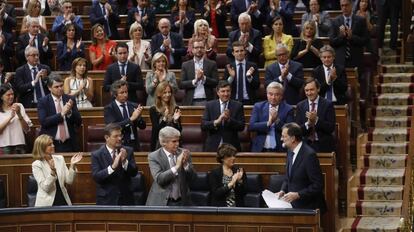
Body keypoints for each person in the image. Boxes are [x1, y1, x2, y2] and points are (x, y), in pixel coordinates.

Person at [274, 122, 327, 213]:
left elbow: (318, 185)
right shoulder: (290, 151)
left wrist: (298, 195)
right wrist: (282, 190)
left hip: (309, 208)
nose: (281, 139)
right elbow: (288, 178)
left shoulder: (309, 155)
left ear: (293, 138)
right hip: (294, 206)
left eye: (284, 136)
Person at [146, 126, 196, 206]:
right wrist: (177, 167)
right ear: (163, 143)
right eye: (174, 141)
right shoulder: (154, 156)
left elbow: (192, 178)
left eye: (178, 141)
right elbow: (160, 179)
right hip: (162, 202)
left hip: (182, 202)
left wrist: (186, 165)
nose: (177, 144)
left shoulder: (185, 153)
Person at [91, 123, 138, 205]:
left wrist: (125, 162)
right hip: (106, 200)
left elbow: (134, 173)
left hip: (126, 199)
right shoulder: (97, 154)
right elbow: (97, 177)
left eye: (120, 135)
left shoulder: (128, 151)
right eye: (116, 136)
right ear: (106, 137)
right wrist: (112, 168)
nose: (119, 138)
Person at [31, 134, 82, 206]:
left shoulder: (60, 159)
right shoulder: (37, 165)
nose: (53, 146)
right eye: (49, 144)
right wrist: (52, 171)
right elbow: (46, 188)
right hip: (47, 203)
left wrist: (72, 165)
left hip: (62, 199)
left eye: (52, 143)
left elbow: (69, 181)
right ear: (42, 147)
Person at [38, 74, 82, 152]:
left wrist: (69, 113)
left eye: (61, 86)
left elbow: (78, 121)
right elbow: (44, 122)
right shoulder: (43, 101)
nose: (60, 89)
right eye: (56, 87)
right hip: (51, 144)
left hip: (70, 143)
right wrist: (61, 114)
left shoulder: (70, 99)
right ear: (49, 88)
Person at [249, 82, 294, 152]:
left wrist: (277, 120)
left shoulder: (288, 109)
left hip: (280, 149)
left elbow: (290, 130)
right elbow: (251, 126)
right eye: (271, 94)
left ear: (281, 96)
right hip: (260, 149)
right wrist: (268, 123)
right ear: (267, 95)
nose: (273, 97)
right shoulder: (258, 107)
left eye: (277, 95)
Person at [201, 81, 245, 151]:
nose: (226, 94)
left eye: (228, 91)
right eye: (223, 91)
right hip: (213, 145)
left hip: (231, 146)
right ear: (218, 92)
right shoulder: (210, 105)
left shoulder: (238, 105)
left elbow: (241, 126)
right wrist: (216, 121)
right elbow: (203, 125)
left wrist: (229, 120)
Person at [104, 80, 146, 151]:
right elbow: (113, 127)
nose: (125, 95)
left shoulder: (133, 105)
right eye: (122, 93)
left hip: (134, 144)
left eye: (126, 92)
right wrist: (131, 119)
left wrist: (139, 117)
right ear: (115, 94)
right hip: (118, 144)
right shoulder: (109, 108)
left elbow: (142, 126)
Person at [295, 78, 336, 152]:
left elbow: (331, 128)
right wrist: (308, 124)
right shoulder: (300, 106)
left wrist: (316, 120)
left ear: (318, 89)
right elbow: (298, 130)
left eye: (312, 90)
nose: (309, 93)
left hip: (323, 144)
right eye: (306, 90)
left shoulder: (328, 104)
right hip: (306, 145)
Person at [330, 0, 369, 74]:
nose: (344, 8)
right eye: (342, 6)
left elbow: (365, 40)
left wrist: (352, 37)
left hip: (356, 59)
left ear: (351, 5)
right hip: (340, 60)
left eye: (346, 5)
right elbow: (332, 42)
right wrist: (341, 36)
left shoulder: (361, 20)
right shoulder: (335, 21)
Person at [180, 39, 218, 106]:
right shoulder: (185, 65)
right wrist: (195, 80)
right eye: (196, 47)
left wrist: (204, 78)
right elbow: (182, 84)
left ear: (204, 49)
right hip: (191, 101)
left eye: (201, 47)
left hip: (208, 100)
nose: (199, 49)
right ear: (192, 50)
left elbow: (216, 82)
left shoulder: (212, 64)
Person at [0, 84, 32, 154]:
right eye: (8, 95)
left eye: (12, 94)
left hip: (20, 145)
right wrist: (10, 117)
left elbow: (27, 129)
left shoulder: (19, 106)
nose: (11, 97)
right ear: (1, 97)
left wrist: (19, 114)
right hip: (3, 146)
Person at [149, 81, 182, 151]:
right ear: (159, 94)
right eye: (164, 92)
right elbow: (156, 130)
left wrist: (175, 121)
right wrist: (164, 119)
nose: (167, 95)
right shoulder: (153, 109)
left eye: (169, 92)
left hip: (174, 143)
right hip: (159, 144)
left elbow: (179, 131)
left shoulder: (175, 108)